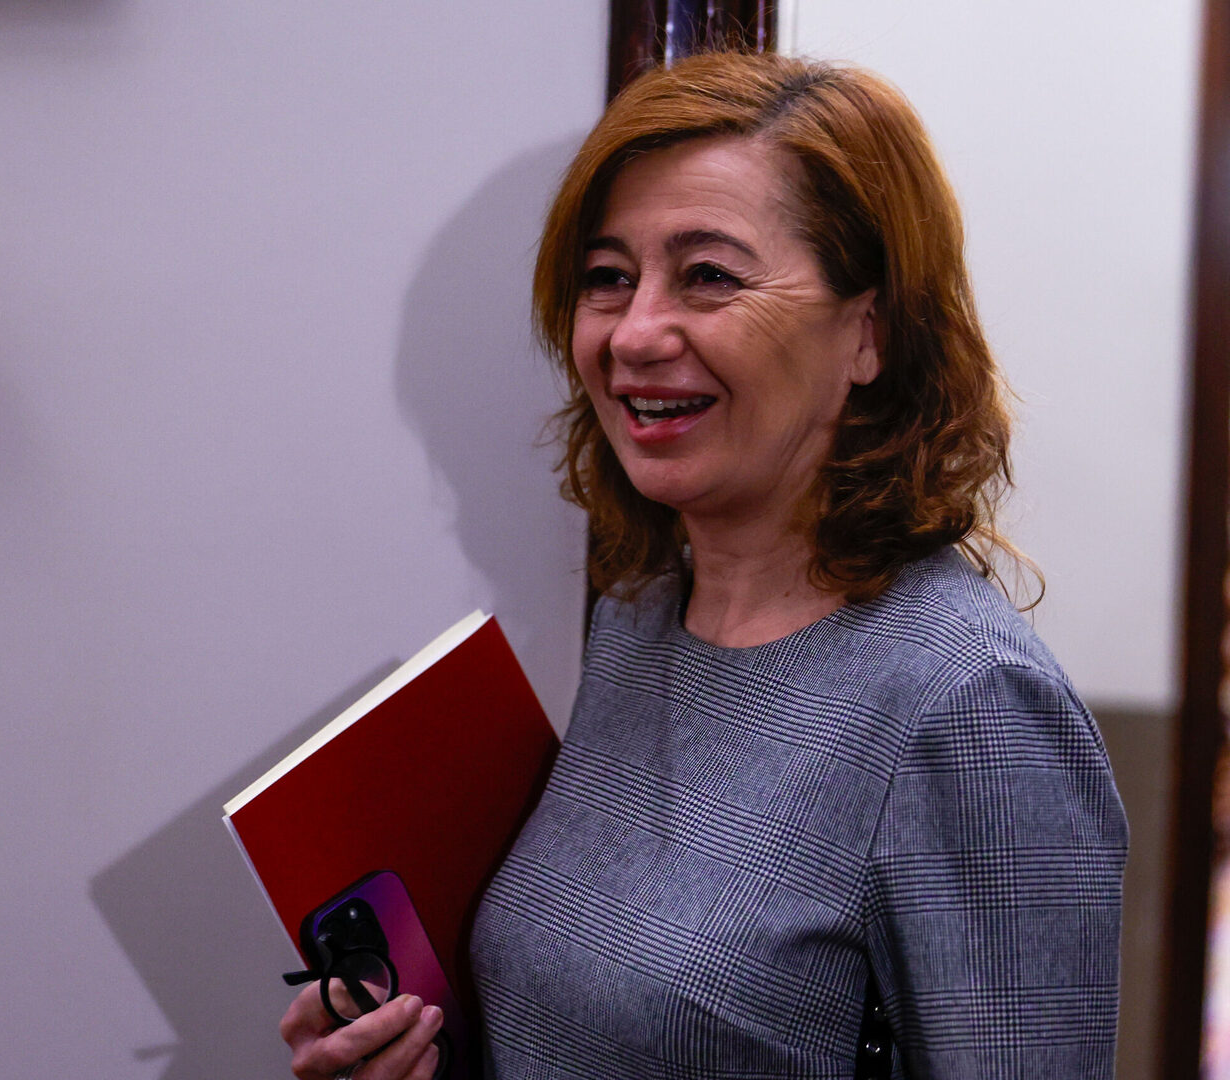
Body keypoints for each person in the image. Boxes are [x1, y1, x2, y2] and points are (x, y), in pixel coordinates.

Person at [279, 50, 1128, 1080]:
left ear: (869, 332)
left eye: (708, 276)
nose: (634, 335)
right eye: (607, 278)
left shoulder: (968, 705)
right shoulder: (638, 623)